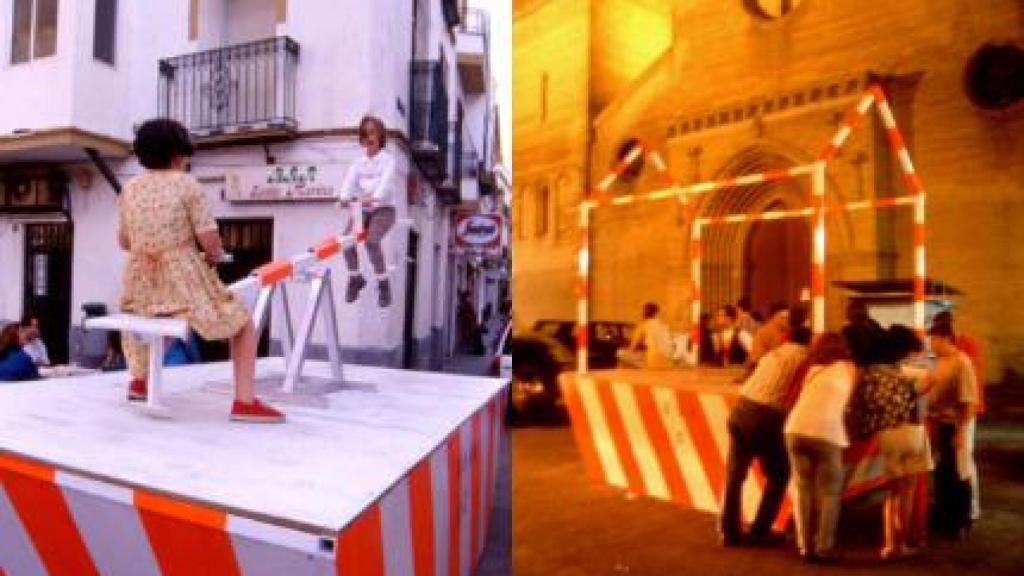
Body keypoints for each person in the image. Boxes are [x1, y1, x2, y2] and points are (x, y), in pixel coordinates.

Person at [118, 118, 283, 423]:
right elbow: (208, 237)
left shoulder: (130, 188)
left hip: (140, 278)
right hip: (182, 275)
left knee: (157, 320)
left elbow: (124, 240)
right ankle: (245, 402)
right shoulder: (186, 184)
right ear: (178, 154)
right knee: (241, 323)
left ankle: (139, 381)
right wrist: (216, 255)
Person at [720, 325, 811, 547]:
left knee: (735, 475)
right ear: (808, 341)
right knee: (780, 474)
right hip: (767, 416)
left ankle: (729, 532)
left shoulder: (773, 353)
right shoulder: (806, 359)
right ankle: (760, 531)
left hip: (740, 410)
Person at [847, 325, 933, 559]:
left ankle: (889, 546)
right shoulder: (904, 372)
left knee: (892, 494)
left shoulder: (868, 373)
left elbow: (858, 406)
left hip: (888, 436)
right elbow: (924, 392)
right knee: (907, 494)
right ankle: (903, 544)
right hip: (913, 433)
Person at [784, 333, 857, 563]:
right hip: (828, 432)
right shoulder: (849, 368)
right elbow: (850, 404)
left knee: (803, 489)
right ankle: (824, 547)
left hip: (795, 429)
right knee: (829, 493)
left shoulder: (813, 369)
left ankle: (805, 547)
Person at [926, 322, 979, 538]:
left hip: (956, 425)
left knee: (958, 474)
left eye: (934, 339)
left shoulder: (962, 363)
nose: (931, 343)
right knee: (943, 474)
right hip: (941, 424)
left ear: (946, 338)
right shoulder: (940, 361)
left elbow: (969, 402)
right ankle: (945, 517)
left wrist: (960, 432)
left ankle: (959, 522)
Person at [339, 114, 397, 307]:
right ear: (362, 139)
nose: (369, 139)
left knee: (372, 241)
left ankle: (383, 283)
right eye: (365, 135)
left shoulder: (388, 161)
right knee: (346, 242)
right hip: (363, 209)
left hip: (384, 209)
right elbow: (349, 181)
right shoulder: (358, 162)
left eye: (373, 134)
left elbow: (386, 184)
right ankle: (355, 278)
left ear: (380, 137)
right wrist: (343, 197)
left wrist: (375, 196)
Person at [617, 302, 673, 369]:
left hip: (654, 360)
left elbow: (633, 346)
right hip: (668, 360)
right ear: (657, 313)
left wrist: (625, 352)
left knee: (620, 354)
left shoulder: (644, 325)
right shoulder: (664, 325)